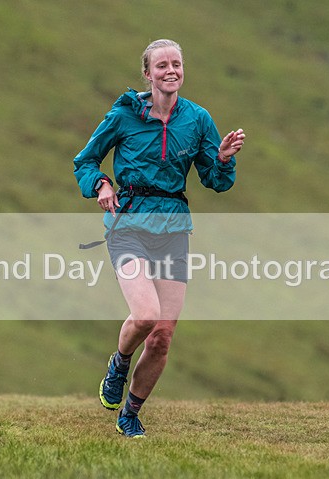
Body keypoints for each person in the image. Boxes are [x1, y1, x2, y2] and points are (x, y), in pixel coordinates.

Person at [73, 39, 245, 438]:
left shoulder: (198, 119)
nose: (171, 71)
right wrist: (100, 184)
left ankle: (130, 413)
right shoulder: (123, 115)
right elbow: (85, 160)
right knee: (146, 315)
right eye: (162, 65)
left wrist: (221, 158)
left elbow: (215, 182)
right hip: (128, 225)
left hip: (173, 231)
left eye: (177, 64)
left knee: (163, 336)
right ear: (148, 74)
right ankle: (118, 364)